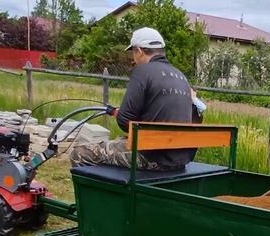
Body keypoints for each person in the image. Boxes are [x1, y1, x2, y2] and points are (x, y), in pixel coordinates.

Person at [70, 27, 193, 171]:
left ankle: (102, 193)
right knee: (118, 142)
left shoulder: (142, 71)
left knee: (79, 153)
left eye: (133, 53)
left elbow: (124, 121)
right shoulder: (181, 76)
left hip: (151, 157)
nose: (133, 59)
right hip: (179, 158)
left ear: (139, 51)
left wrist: (119, 114)